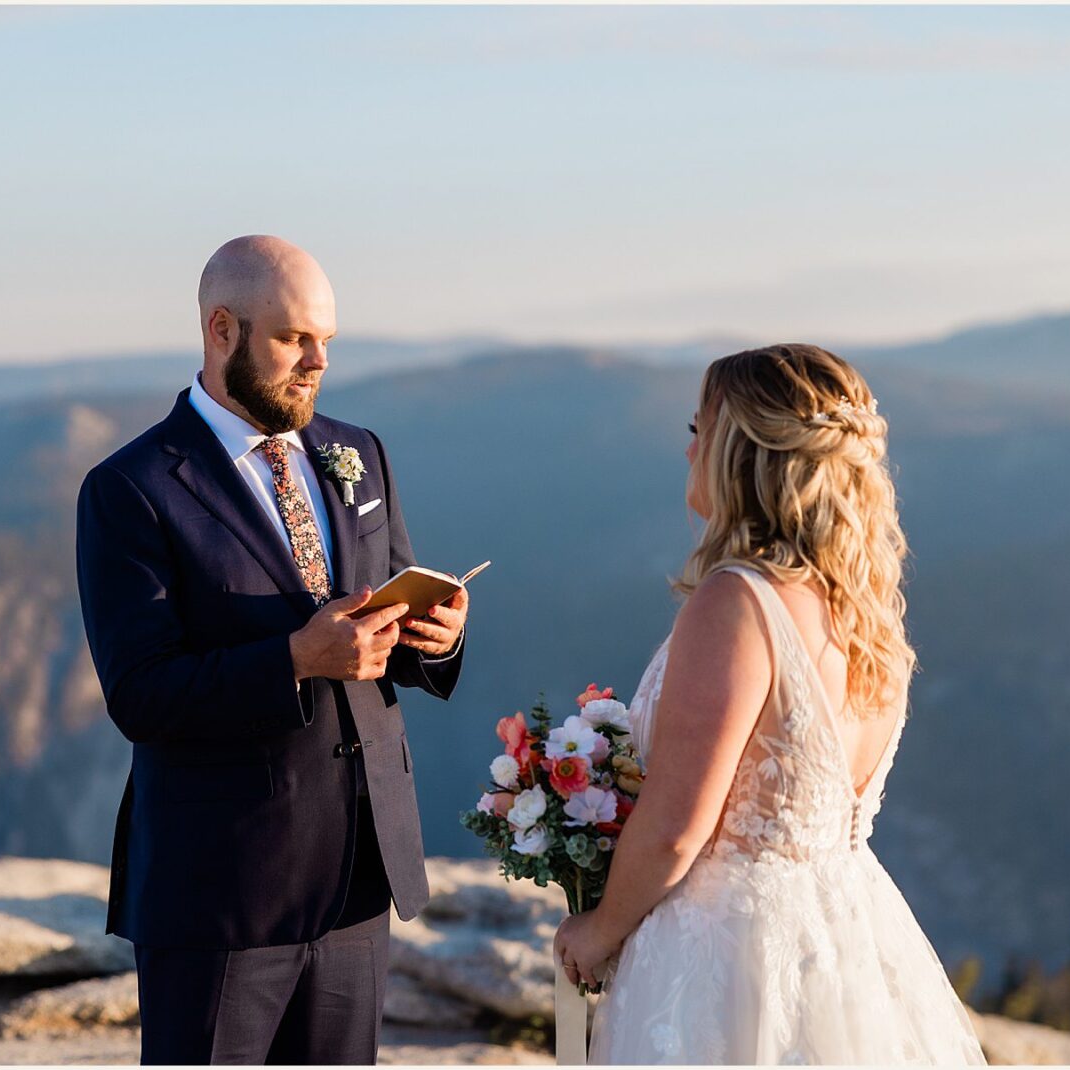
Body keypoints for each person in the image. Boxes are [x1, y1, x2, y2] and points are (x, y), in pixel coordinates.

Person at [75, 235, 468, 1065]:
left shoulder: (359, 452)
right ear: (223, 330)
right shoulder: (132, 488)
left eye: (327, 340)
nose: (318, 360)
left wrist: (434, 637)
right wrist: (294, 659)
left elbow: (382, 613)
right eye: (295, 338)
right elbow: (141, 693)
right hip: (222, 892)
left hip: (360, 874)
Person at [555, 344, 985, 1064]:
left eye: (699, 430)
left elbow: (676, 827)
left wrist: (596, 932)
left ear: (738, 451)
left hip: (728, 960)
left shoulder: (737, 602)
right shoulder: (861, 611)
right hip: (847, 942)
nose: (687, 450)